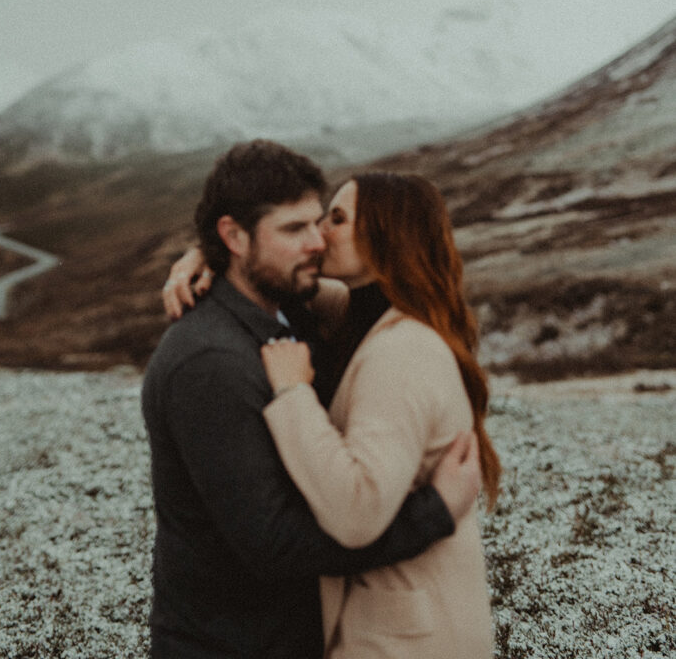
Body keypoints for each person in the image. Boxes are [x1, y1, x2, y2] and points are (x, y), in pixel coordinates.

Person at [143, 140, 481, 659]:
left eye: (324, 221)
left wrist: (213, 256)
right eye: (295, 229)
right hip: (232, 644)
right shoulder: (211, 362)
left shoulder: (308, 316)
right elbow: (277, 544)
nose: (317, 241)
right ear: (234, 236)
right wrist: (432, 513)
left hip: (328, 631)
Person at [260, 172, 499, 658]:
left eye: (337, 218)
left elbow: (357, 511)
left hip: (408, 640)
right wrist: (209, 258)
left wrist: (292, 394)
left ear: (385, 235)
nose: (318, 231)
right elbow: (282, 283)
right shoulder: (368, 313)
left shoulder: (401, 353)